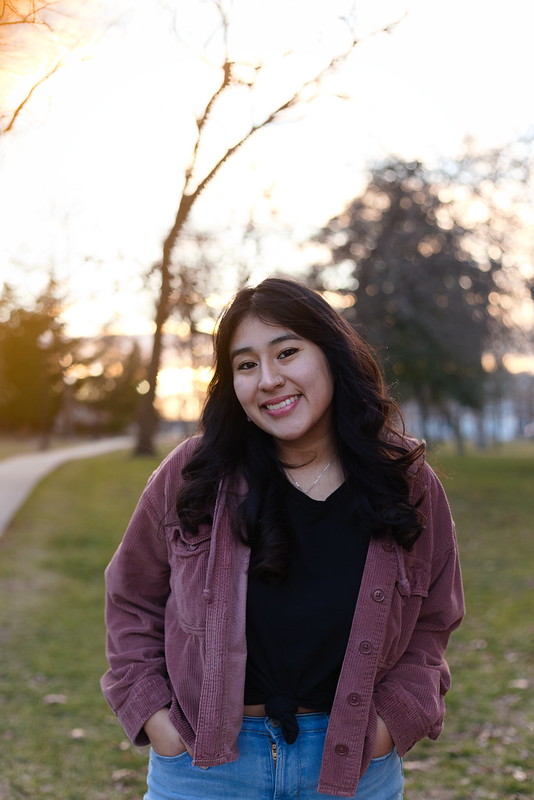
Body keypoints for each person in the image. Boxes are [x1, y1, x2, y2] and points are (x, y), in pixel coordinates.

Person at [101, 277, 464, 800]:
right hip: (206, 767)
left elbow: (435, 619)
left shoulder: (403, 480)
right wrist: (155, 717)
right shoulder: (194, 472)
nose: (268, 379)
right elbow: (131, 597)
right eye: (246, 365)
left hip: (350, 764)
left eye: (287, 352)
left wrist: (390, 725)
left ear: (331, 354)